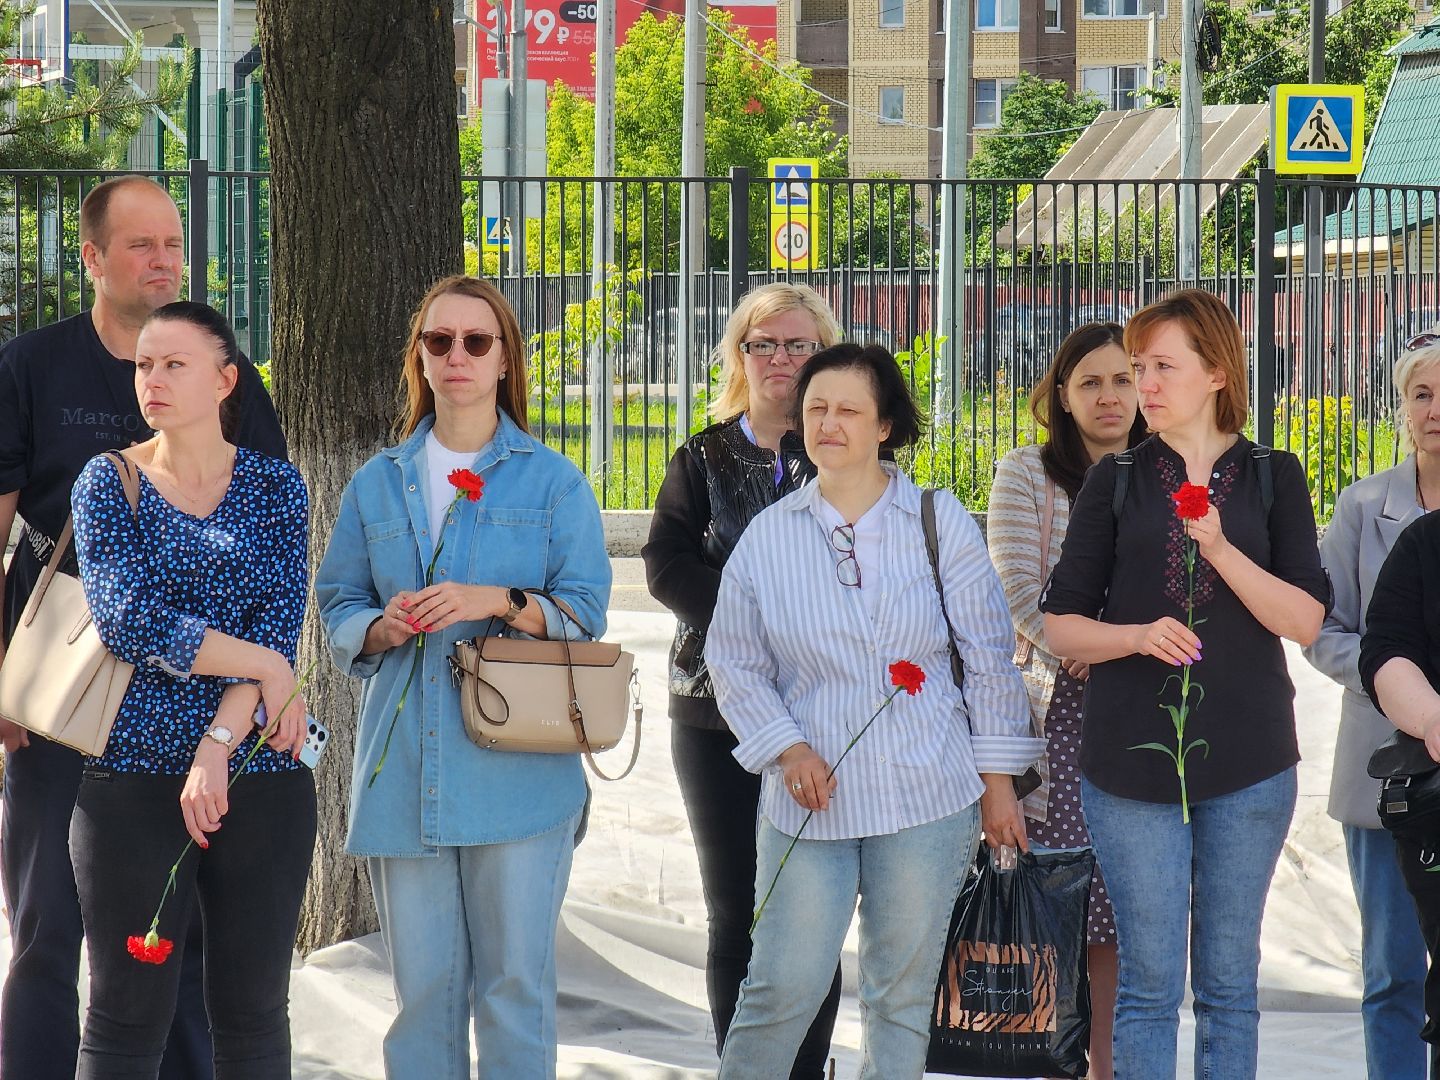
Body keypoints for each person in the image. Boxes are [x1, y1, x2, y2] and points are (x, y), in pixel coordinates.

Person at [0, 175, 285, 1080]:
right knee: (46, 925)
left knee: (179, 933)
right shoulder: (31, 365)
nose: (164, 260)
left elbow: (269, 547)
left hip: (193, 702)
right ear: (91, 258)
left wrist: (260, 682)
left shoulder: (232, 376)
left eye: (172, 243)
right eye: (140, 245)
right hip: (64, 682)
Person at [707, 342, 1043, 1078]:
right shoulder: (768, 537)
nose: (829, 423)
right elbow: (733, 662)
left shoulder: (937, 520)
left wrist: (997, 785)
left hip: (928, 794)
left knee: (900, 998)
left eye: (849, 410)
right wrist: (787, 747)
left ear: (884, 425)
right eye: (816, 408)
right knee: (780, 989)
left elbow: (989, 658)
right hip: (809, 802)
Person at [314, 275, 610, 1079]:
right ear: (419, 356)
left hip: (519, 778)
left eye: (477, 341)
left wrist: (498, 601)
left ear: (505, 358)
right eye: (439, 341)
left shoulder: (554, 482)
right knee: (421, 1000)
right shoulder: (378, 481)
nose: (458, 356)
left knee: (515, 993)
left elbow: (587, 609)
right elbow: (338, 601)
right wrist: (379, 626)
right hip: (405, 770)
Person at [1042, 289, 1330, 1079]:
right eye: (1139, 367)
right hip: (1128, 764)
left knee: (1230, 985)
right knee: (1148, 985)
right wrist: (1134, 636)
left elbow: (1306, 620)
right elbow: (1060, 625)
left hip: (1252, 762)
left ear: (1217, 373)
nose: (1145, 385)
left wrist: (1223, 551)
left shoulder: (1273, 475)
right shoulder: (1116, 480)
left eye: (1162, 366)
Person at [68, 301, 312, 1078]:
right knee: (122, 1020)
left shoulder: (277, 487)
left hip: (260, 772)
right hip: (131, 777)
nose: (154, 379)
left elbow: (278, 632)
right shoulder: (109, 482)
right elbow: (128, 621)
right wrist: (263, 667)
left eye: (175, 364)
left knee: (254, 1017)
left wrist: (218, 743)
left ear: (225, 380)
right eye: (145, 364)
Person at [642, 281, 844, 1075]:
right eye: (763, 344)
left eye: (797, 344)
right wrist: (756, 619)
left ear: (824, 352)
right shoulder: (701, 457)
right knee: (735, 913)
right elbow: (665, 566)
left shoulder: (849, 453)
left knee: (809, 912)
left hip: (824, 715)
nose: (779, 358)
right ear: (739, 356)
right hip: (713, 713)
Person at [987, 321, 1145, 1080]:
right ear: (1061, 395)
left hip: (1137, 713)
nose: (1109, 396)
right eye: (1090, 382)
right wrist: (1084, 645)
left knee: (1116, 913)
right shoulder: (1026, 473)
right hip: (1056, 717)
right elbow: (1017, 589)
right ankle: (1045, 1062)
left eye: (1123, 380)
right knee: (1051, 903)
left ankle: (1106, 1067)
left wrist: (1114, 648)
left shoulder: (1165, 470)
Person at [1302, 332, 1440, 1080]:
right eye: (1421, 394)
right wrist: (1394, 682)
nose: (1434, 409)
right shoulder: (1362, 505)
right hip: (1385, 767)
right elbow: (1321, 627)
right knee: (1392, 968)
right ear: (1402, 408)